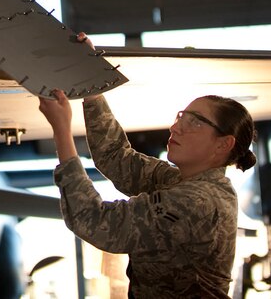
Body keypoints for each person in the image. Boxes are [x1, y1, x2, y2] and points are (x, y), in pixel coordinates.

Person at [37, 35, 257, 299]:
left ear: (223, 144)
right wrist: (90, 78)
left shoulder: (197, 201)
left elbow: (94, 221)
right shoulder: (187, 183)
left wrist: (62, 130)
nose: (176, 127)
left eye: (195, 121)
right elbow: (117, 157)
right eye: (181, 117)